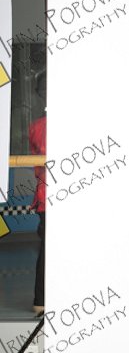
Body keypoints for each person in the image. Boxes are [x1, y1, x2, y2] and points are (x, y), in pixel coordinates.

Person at [28, 72, 46, 315]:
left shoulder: (36, 127)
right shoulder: (42, 127)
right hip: (50, 196)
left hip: (44, 197)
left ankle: (41, 300)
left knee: (47, 249)